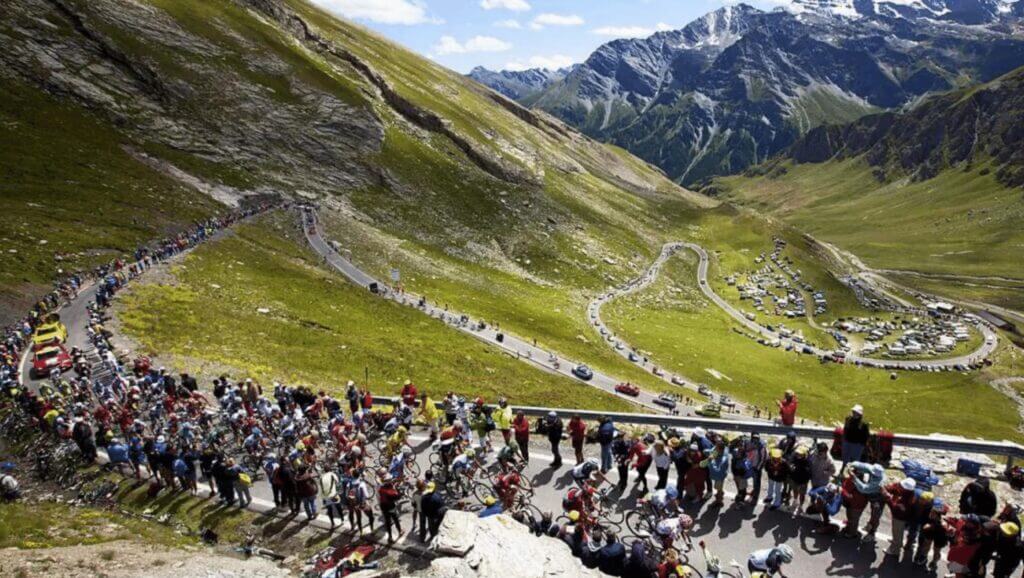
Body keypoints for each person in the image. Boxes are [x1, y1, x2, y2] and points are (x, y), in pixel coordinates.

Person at [883, 477, 917, 556]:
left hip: (899, 518)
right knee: (897, 532)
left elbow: (894, 508)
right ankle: (896, 542)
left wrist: (888, 497)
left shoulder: (905, 500)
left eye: (902, 486)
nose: (900, 486)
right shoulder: (910, 494)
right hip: (903, 518)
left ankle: (895, 550)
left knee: (897, 532)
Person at [841, 405, 869, 473]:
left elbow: (866, 436)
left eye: (856, 412)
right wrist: (844, 439)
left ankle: (854, 471)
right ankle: (843, 467)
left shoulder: (864, 424)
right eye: (854, 412)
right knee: (845, 457)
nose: (854, 414)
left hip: (857, 445)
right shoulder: (848, 419)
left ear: (860, 414)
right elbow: (845, 429)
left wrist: (862, 445)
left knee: (855, 460)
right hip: (847, 442)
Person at [378, 475, 403, 543]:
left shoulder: (381, 488)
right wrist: (397, 491)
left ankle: (390, 537)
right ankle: (400, 531)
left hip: (383, 506)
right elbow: (397, 497)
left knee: (387, 521)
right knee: (395, 518)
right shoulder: (390, 491)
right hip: (390, 506)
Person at [706, 439, 730, 506]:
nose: (715, 448)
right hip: (722, 474)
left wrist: (710, 460)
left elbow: (717, 469)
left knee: (718, 488)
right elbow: (712, 450)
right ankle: (721, 493)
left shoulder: (723, 458)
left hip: (719, 475)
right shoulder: (725, 449)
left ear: (720, 449)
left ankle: (719, 501)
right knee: (719, 487)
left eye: (716, 447)